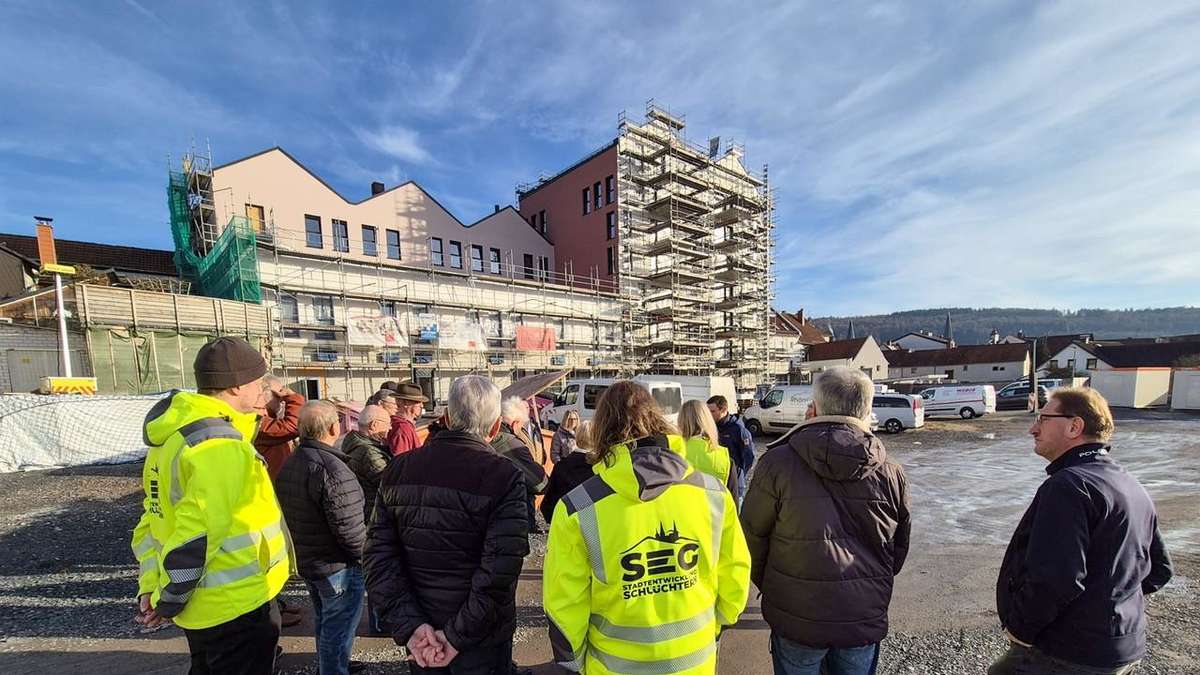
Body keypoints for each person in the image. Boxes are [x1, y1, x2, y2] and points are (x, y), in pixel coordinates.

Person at [544, 381, 751, 674]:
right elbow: (735, 577)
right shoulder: (714, 494)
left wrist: (574, 664)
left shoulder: (578, 508)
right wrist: (714, 628)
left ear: (602, 430)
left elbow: (564, 606)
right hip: (694, 662)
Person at [131, 337, 289, 674]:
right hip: (235, 605)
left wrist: (154, 589)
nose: (263, 392)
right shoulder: (219, 445)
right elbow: (197, 534)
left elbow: (153, 522)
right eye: (259, 383)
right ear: (235, 386)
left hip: (206, 606)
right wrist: (168, 599)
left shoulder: (174, 438)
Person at [990, 388, 1173, 675]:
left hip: (1072, 654)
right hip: (1124, 645)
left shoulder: (1069, 486)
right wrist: (1109, 605)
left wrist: (1020, 630)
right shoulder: (1128, 483)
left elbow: (1056, 579)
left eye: (1043, 419)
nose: (1033, 429)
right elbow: (1159, 570)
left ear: (1074, 426)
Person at [741, 366, 910, 675]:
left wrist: (776, 586)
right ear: (868, 411)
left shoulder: (777, 463)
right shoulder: (890, 472)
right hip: (861, 614)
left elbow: (751, 538)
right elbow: (897, 549)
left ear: (814, 408)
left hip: (797, 613)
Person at [365, 375, 530, 674]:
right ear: (495, 427)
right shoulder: (503, 476)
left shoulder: (399, 468)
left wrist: (413, 628)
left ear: (447, 418)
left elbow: (378, 558)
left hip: (424, 632)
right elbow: (499, 572)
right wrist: (453, 636)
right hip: (480, 638)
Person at [275, 401, 367, 675]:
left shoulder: (293, 461)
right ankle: (333, 669)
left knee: (326, 621)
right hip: (336, 566)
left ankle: (334, 664)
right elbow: (350, 529)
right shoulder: (331, 468)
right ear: (333, 428)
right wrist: (367, 558)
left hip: (311, 561)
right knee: (337, 627)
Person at [343, 404, 394, 637]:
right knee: (378, 571)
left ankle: (380, 621)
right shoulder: (368, 452)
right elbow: (388, 481)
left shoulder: (357, 444)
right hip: (371, 516)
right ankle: (380, 623)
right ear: (374, 426)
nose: (390, 429)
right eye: (387, 424)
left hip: (366, 513)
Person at [492, 396, 548, 533]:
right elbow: (538, 483)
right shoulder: (511, 444)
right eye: (521, 426)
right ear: (515, 424)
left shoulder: (487, 437)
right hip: (507, 517)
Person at [539, 421, 594, 525]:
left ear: (577, 437)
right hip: (592, 525)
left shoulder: (561, 466)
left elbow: (548, 503)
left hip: (564, 523)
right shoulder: (600, 467)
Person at [678, 400, 738, 495]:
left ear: (681, 421)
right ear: (708, 420)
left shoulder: (671, 454)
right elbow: (733, 501)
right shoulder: (725, 459)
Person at [706, 395, 755, 508]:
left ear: (723, 410)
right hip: (715, 483)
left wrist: (738, 474)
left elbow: (749, 457)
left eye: (712, 411)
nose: (709, 415)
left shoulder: (738, 430)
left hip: (734, 484)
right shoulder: (710, 427)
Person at [255, 375, 306, 480]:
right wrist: (293, 399)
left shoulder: (269, 419)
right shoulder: (256, 421)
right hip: (271, 484)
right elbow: (292, 427)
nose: (282, 400)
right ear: (263, 393)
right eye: (278, 395)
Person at [386, 382, 427, 457]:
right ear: (404, 403)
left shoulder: (400, 425)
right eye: (417, 402)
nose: (422, 405)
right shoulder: (402, 429)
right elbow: (400, 460)